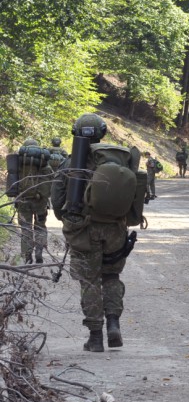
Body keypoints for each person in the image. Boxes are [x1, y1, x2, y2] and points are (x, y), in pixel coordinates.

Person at [51, 113, 138, 352]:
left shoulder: (70, 163)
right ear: (103, 133)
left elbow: (57, 200)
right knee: (111, 276)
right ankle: (113, 324)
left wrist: (67, 218)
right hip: (115, 229)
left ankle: (95, 337)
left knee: (89, 281)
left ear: (75, 133)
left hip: (82, 230)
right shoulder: (119, 159)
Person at [14, 138, 53, 264]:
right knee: (40, 227)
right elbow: (50, 182)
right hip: (40, 203)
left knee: (26, 228)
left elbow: (13, 181)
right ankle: (39, 253)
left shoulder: (19, 164)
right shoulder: (45, 165)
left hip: (23, 201)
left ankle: (27, 255)